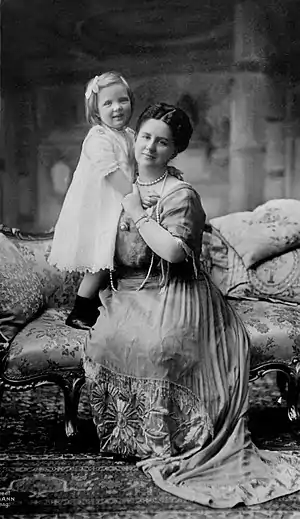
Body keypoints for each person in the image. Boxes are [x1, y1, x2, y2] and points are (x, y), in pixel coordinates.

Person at [82, 102, 300, 508]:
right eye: (145, 137)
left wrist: (138, 214)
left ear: (174, 150)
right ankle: (128, 435)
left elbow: (174, 255)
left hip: (178, 290)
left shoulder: (180, 194)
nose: (150, 147)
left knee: (161, 345)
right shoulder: (119, 183)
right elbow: (96, 246)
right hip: (130, 290)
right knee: (107, 339)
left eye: (162, 142)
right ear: (135, 139)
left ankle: (173, 437)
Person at [48, 71, 136, 329]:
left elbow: (137, 166)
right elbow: (113, 175)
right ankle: (79, 311)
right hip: (100, 209)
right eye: (108, 103)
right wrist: (135, 200)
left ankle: (106, 305)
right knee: (98, 263)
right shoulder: (98, 138)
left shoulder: (129, 135)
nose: (117, 108)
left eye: (122, 100)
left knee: (116, 261)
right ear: (96, 111)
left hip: (118, 205)